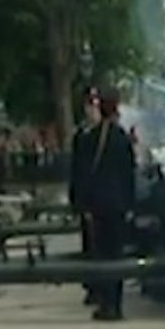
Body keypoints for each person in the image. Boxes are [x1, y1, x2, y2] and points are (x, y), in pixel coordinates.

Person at [82, 87, 135, 321]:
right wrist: (130, 204)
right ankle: (117, 304)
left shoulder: (90, 138)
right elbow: (129, 174)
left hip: (98, 205)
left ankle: (106, 303)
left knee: (102, 254)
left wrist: (82, 205)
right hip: (119, 204)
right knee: (116, 253)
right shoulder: (122, 137)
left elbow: (83, 174)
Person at [69, 87, 101, 305]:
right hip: (88, 196)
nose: (91, 109)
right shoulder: (82, 135)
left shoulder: (102, 134)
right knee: (89, 244)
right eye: (89, 105)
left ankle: (99, 285)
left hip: (100, 197)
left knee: (100, 245)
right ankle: (91, 285)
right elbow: (77, 169)